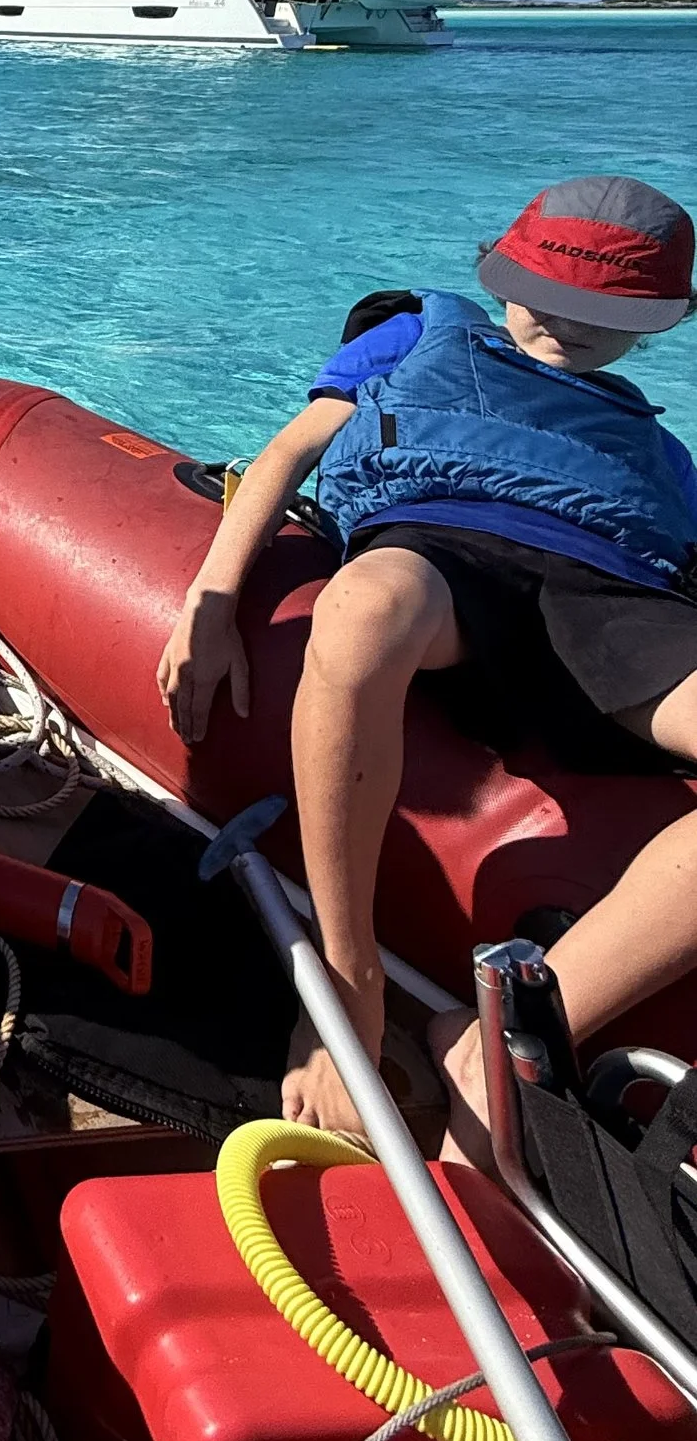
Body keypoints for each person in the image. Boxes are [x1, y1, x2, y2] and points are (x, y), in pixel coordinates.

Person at [159, 175, 697, 1140]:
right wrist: (210, 598)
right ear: (499, 277)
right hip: (443, 549)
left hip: (610, 597)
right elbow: (288, 453)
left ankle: (510, 1039)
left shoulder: (656, 451)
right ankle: (347, 975)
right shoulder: (417, 333)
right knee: (363, 606)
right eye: (548, 297)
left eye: (603, 311)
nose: (567, 328)